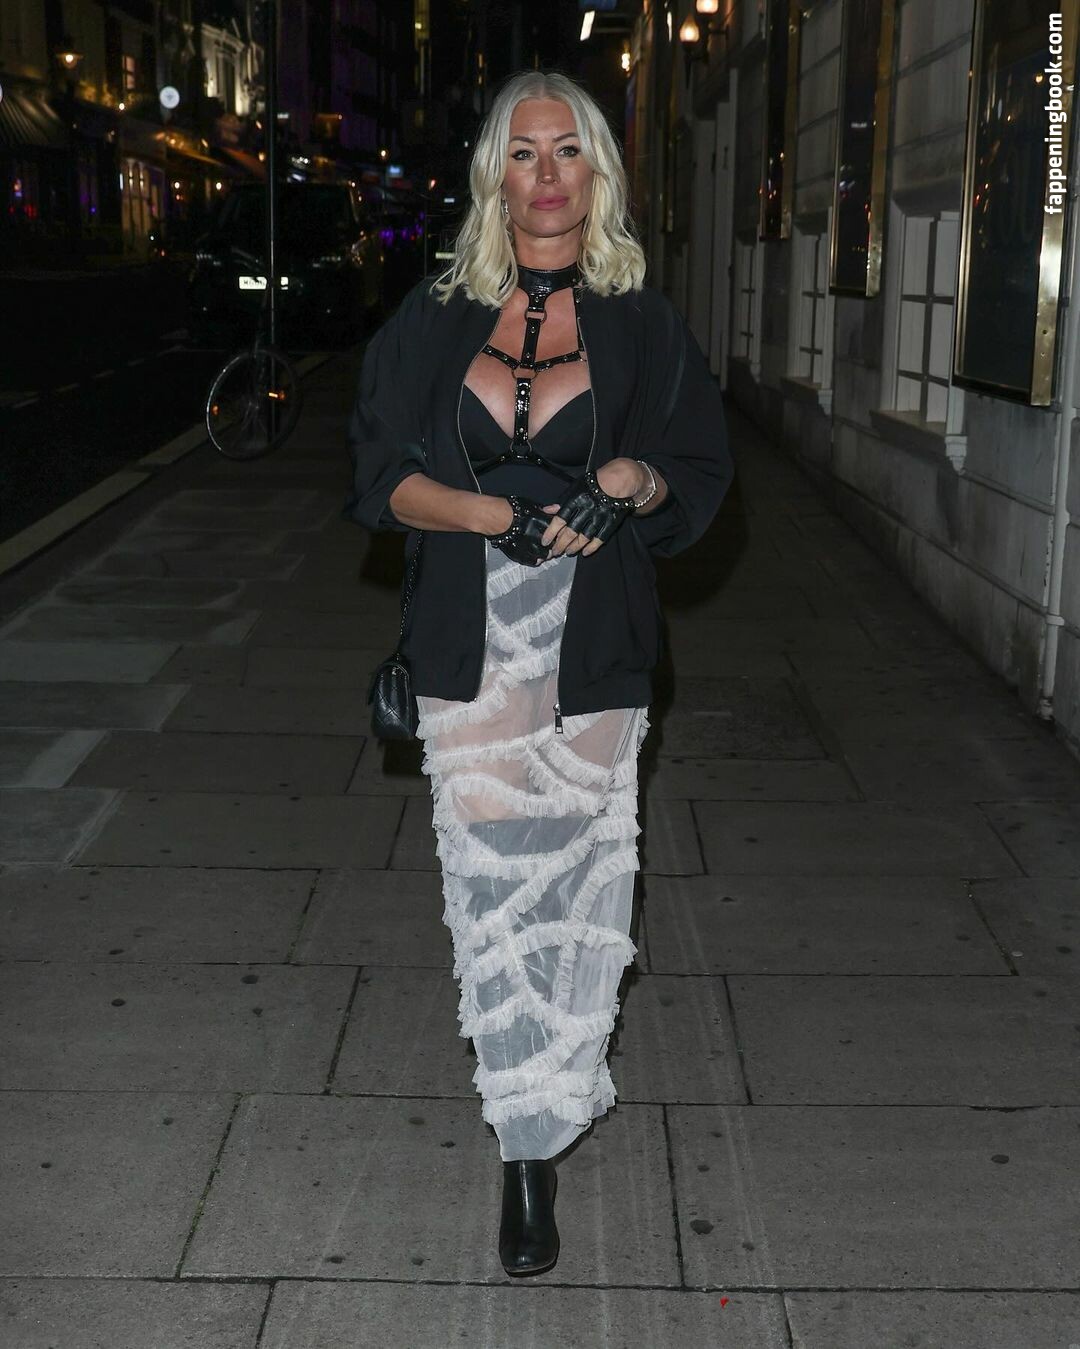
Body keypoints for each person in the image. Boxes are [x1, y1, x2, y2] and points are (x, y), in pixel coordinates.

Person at [345, 69, 733, 1277]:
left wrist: (626, 483)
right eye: (525, 152)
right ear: (495, 176)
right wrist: (487, 514)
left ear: (598, 173)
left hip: (593, 639)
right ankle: (523, 1143)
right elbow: (378, 477)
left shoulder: (641, 323)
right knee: (493, 895)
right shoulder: (433, 318)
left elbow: (694, 469)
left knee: (573, 889)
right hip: (471, 636)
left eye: (570, 151)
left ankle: (542, 1130)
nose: (548, 174)